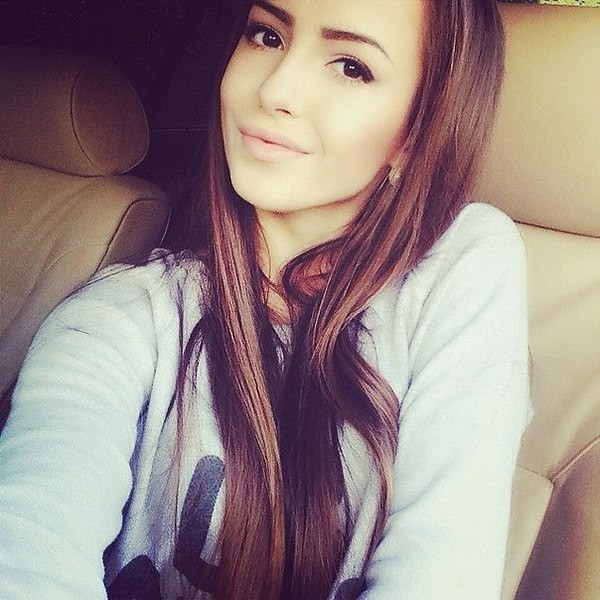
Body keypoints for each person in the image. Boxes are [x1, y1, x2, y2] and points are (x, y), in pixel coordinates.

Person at [0, 1, 531, 598]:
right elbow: (28, 543)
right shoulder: (116, 318)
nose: (275, 88)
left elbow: (444, 574)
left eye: (351, 66)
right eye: (267, 36)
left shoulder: (459, 266)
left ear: (416, 133)